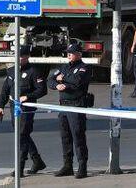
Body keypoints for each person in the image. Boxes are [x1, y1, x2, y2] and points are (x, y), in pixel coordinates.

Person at [0, 45, 48, 176]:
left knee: (22, 134)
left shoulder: (34, 71)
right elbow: (6, 89)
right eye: (16, 56)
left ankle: (20, 167)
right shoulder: (11, 71)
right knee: (21, 134)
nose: (18, 58)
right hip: (14, 106)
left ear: (27, 57)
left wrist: (28, 96)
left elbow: (42, 90)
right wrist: (0, 106)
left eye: (21, 56)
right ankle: (37, 161)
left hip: (26, 108)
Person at [47, 42, 91, 179]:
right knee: (65, 137)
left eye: (71, 53)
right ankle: (68, 165)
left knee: (78, 136)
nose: (68, 55)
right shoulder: (64, 67)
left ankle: (82, 166)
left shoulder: (84, 68)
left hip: (76, 106)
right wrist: (56, 85)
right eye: (68, 53)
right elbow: (50, 80)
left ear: (79, 54)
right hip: (63, 106)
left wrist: (63, 79)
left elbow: (77, 81)